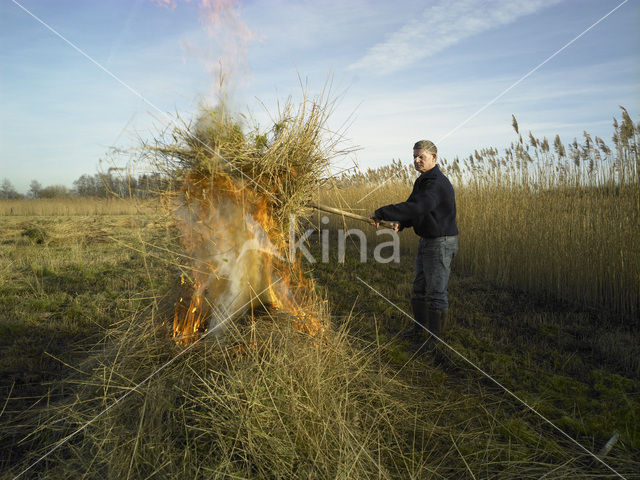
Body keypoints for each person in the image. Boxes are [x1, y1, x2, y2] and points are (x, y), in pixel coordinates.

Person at [369, 140, 458, 346]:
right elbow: (413, 209)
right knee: (419, 288)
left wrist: (381, 212)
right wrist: (402, 222)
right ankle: (418, 332)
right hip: (427, 241)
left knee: (436, 293)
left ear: (434, 158)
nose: (416, 161)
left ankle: (435, 344)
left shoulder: (436, 183)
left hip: (441, 243)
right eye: (414, 157)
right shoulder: (422, 181)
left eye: (421, 157)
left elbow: (419, 207)